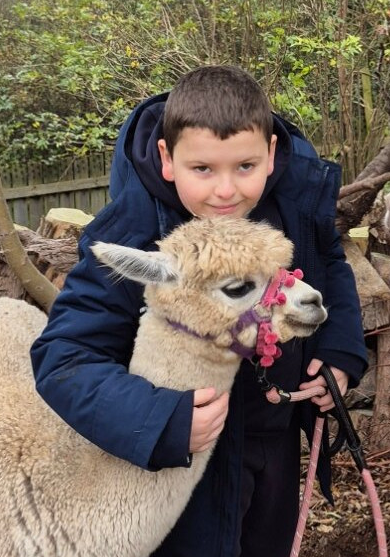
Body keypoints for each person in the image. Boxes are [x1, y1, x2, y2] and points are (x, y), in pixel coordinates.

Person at [31, 65, 368, 557]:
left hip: (273, 437)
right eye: (203, 169)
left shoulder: (292, 204)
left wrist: (340, 347)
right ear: (168, 159)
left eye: (245, 167)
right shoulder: (138, 227)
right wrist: (159, 420)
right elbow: (65, 358)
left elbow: (329, 266)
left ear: (271, 152)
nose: (226, 191)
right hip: (184, 454)